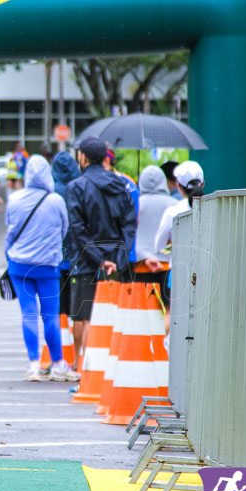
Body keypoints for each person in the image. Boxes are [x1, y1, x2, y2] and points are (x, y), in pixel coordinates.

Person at [64, 136, 137, 367]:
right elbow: (129, 226)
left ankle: (84, 368)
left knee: (84, 317)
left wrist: (100, 260)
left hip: (86, 261)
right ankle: (107, 370)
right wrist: (117, 259)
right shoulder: (121, 185)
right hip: (117, 261)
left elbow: (78, 229)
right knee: (113, 317)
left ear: (83, 157)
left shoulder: (76, 187)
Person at [4, 155, 76, 382]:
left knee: (28, 313)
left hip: (19, 265)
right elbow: (64, 230)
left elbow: (11, 230)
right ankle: (57, 365)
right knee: (51, 316)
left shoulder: (15, 198)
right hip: (48, 265)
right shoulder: (56, 200)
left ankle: (33, 365)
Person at [134, 166, 177, 308]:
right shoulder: (174, 205)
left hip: (140, 266)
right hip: (167, 266)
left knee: (142, 311)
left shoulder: (135, 204)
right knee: (167, 310)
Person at [51, 150, 82, 335]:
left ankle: (61, 343)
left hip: (55, 256)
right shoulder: (80, 188)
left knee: (57, 304)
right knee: (78, 305)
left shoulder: (51, 192)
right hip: (78, 255)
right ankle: (76, 345)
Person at [152, 160, 205, 261]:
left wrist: (174, 248)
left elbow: (159, 248)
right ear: (202, 183)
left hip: (178, 271)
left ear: (178, 186)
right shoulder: (214, 209)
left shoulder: (172, 212)